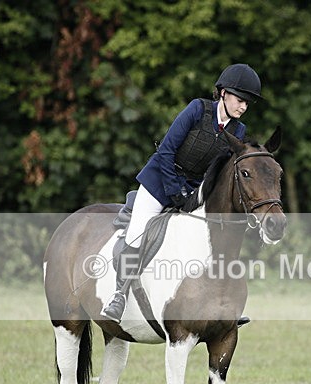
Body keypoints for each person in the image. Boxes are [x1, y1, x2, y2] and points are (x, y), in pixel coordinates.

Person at [101, 63, 262, 323]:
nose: (243, 107)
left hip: (193, 192)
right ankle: (119, 295)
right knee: (137, 232)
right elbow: (166, 150)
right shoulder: (197, 110)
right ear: (223, 93)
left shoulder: (238, 131)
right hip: (158, 182)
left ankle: (223, 304)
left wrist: (196, 196)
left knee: (216, 238)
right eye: (240, 100)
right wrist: (174, 190)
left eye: (248, 103)